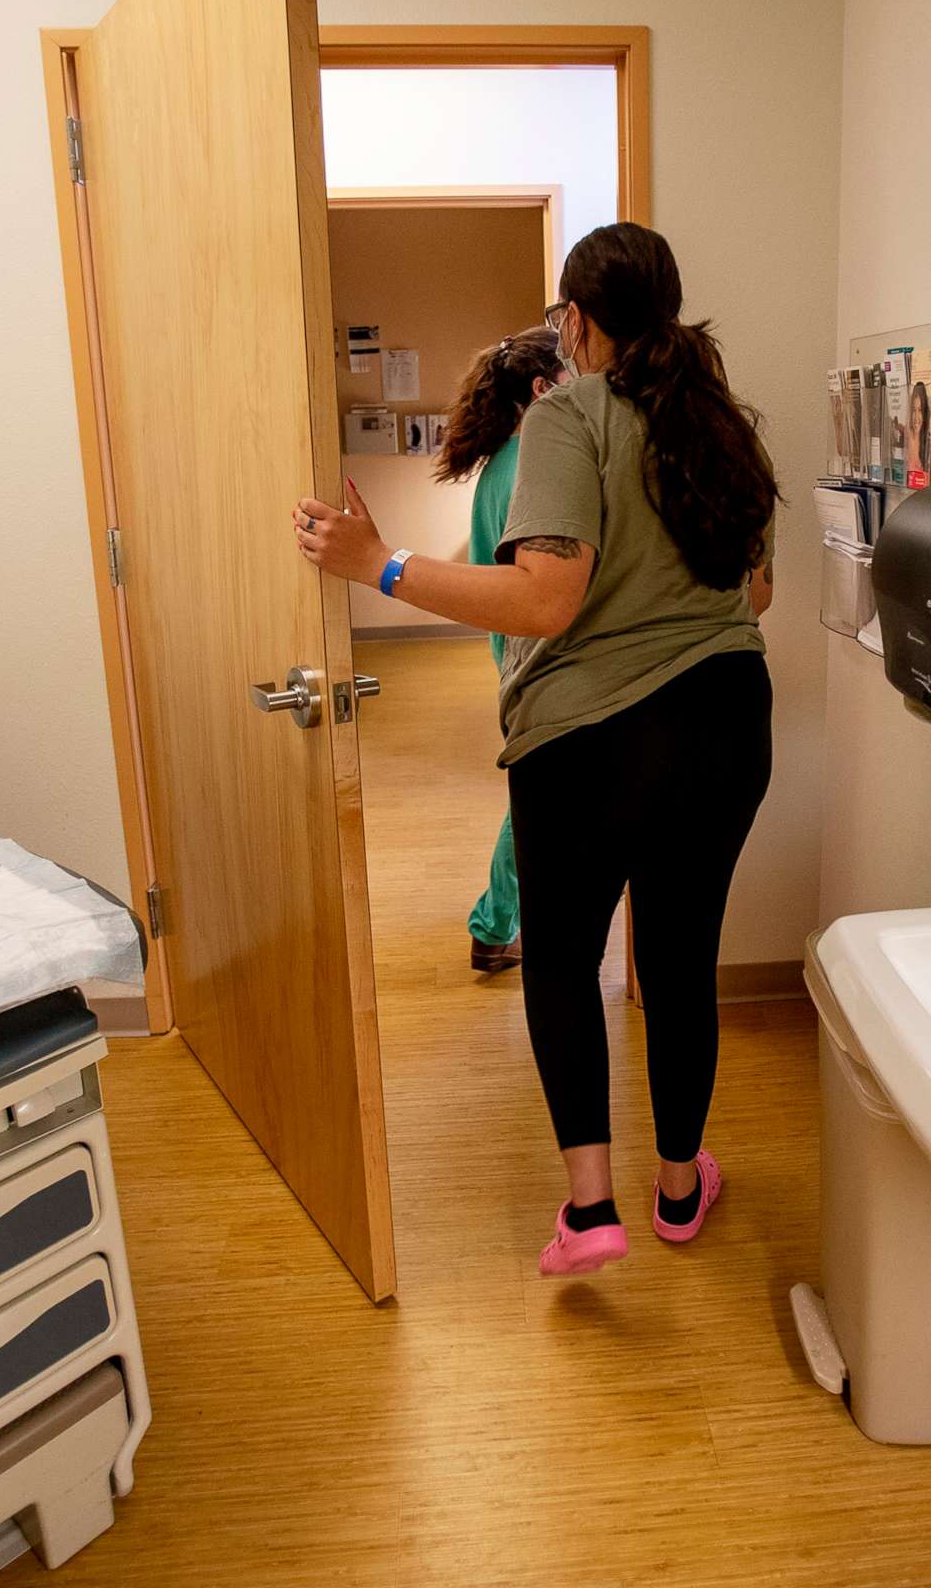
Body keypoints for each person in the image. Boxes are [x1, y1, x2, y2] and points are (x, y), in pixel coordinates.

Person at [295, 221, 777, 1277]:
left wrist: (380, 565)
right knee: (679, 961)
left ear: (577, 321)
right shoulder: (726, 427)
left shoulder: (574, 414)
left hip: (596, 741)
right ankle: (683, 1188)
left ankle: (592, 1211)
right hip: (728, 723)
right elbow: (758, 594)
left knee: (562, 958)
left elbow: (546, 601)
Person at [433, 326, 571, 974]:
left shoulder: (500, 466)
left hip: (515, 651)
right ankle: (493, 925)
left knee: (538, 793)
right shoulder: (532, 468)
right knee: (536, 798)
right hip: (541, 654)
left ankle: (497, 924)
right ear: (542, 389)